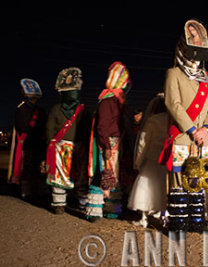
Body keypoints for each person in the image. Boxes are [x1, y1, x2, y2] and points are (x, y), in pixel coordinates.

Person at [159, 19, 208, 232]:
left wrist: (206, 129)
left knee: (199, 179)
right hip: (183, 136)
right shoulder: (173, 74)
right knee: (178, 181)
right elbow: (172, 104)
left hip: (204, 138)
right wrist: (193, 129)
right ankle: (178, 225)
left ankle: (197, 223)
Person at [86, 61, 132, 222]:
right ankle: (94, 211)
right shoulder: (108, 100)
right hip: (107, 144)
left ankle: (112, 209)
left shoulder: (117, 101)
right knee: (102, 174)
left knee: (113, 176)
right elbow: (102, 126)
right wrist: (106, 146)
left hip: (115, 143)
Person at [46, 67, 91, 214]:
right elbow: (88, 130)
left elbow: (49, 130)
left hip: (61, 148)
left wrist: (49, 145)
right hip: (80, 148)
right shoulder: (84, 111)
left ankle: (59, 204)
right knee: (81, 175)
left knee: (59, 176)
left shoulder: (56, 109)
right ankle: (83, 203)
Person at [128, 94, 168, 228]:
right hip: (167, 159)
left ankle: (144, 218)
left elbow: (142, 143)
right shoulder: (172, 120)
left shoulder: (152, 121)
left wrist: (138, 162)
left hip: (151, 158)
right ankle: (164, 216)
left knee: (146, 189)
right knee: (165, 189)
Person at [8, 78, 47, 201]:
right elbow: (21, 126)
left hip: (35, 143)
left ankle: (35, 190)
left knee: (36, 168)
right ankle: (27, 191)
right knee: (27, 167)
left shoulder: (37, 110)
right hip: (29, 144)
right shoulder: (23, 109)